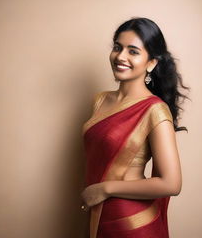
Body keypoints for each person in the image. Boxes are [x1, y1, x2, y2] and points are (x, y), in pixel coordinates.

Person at [80, 17, 190, 238]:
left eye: (133, 51)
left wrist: (104, 188)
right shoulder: (100, 101)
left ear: (151, 62)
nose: (120, 56)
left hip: (131, 223)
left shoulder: (154, 110)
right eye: (117, 48)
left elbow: (172, 183)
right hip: (97, 215)